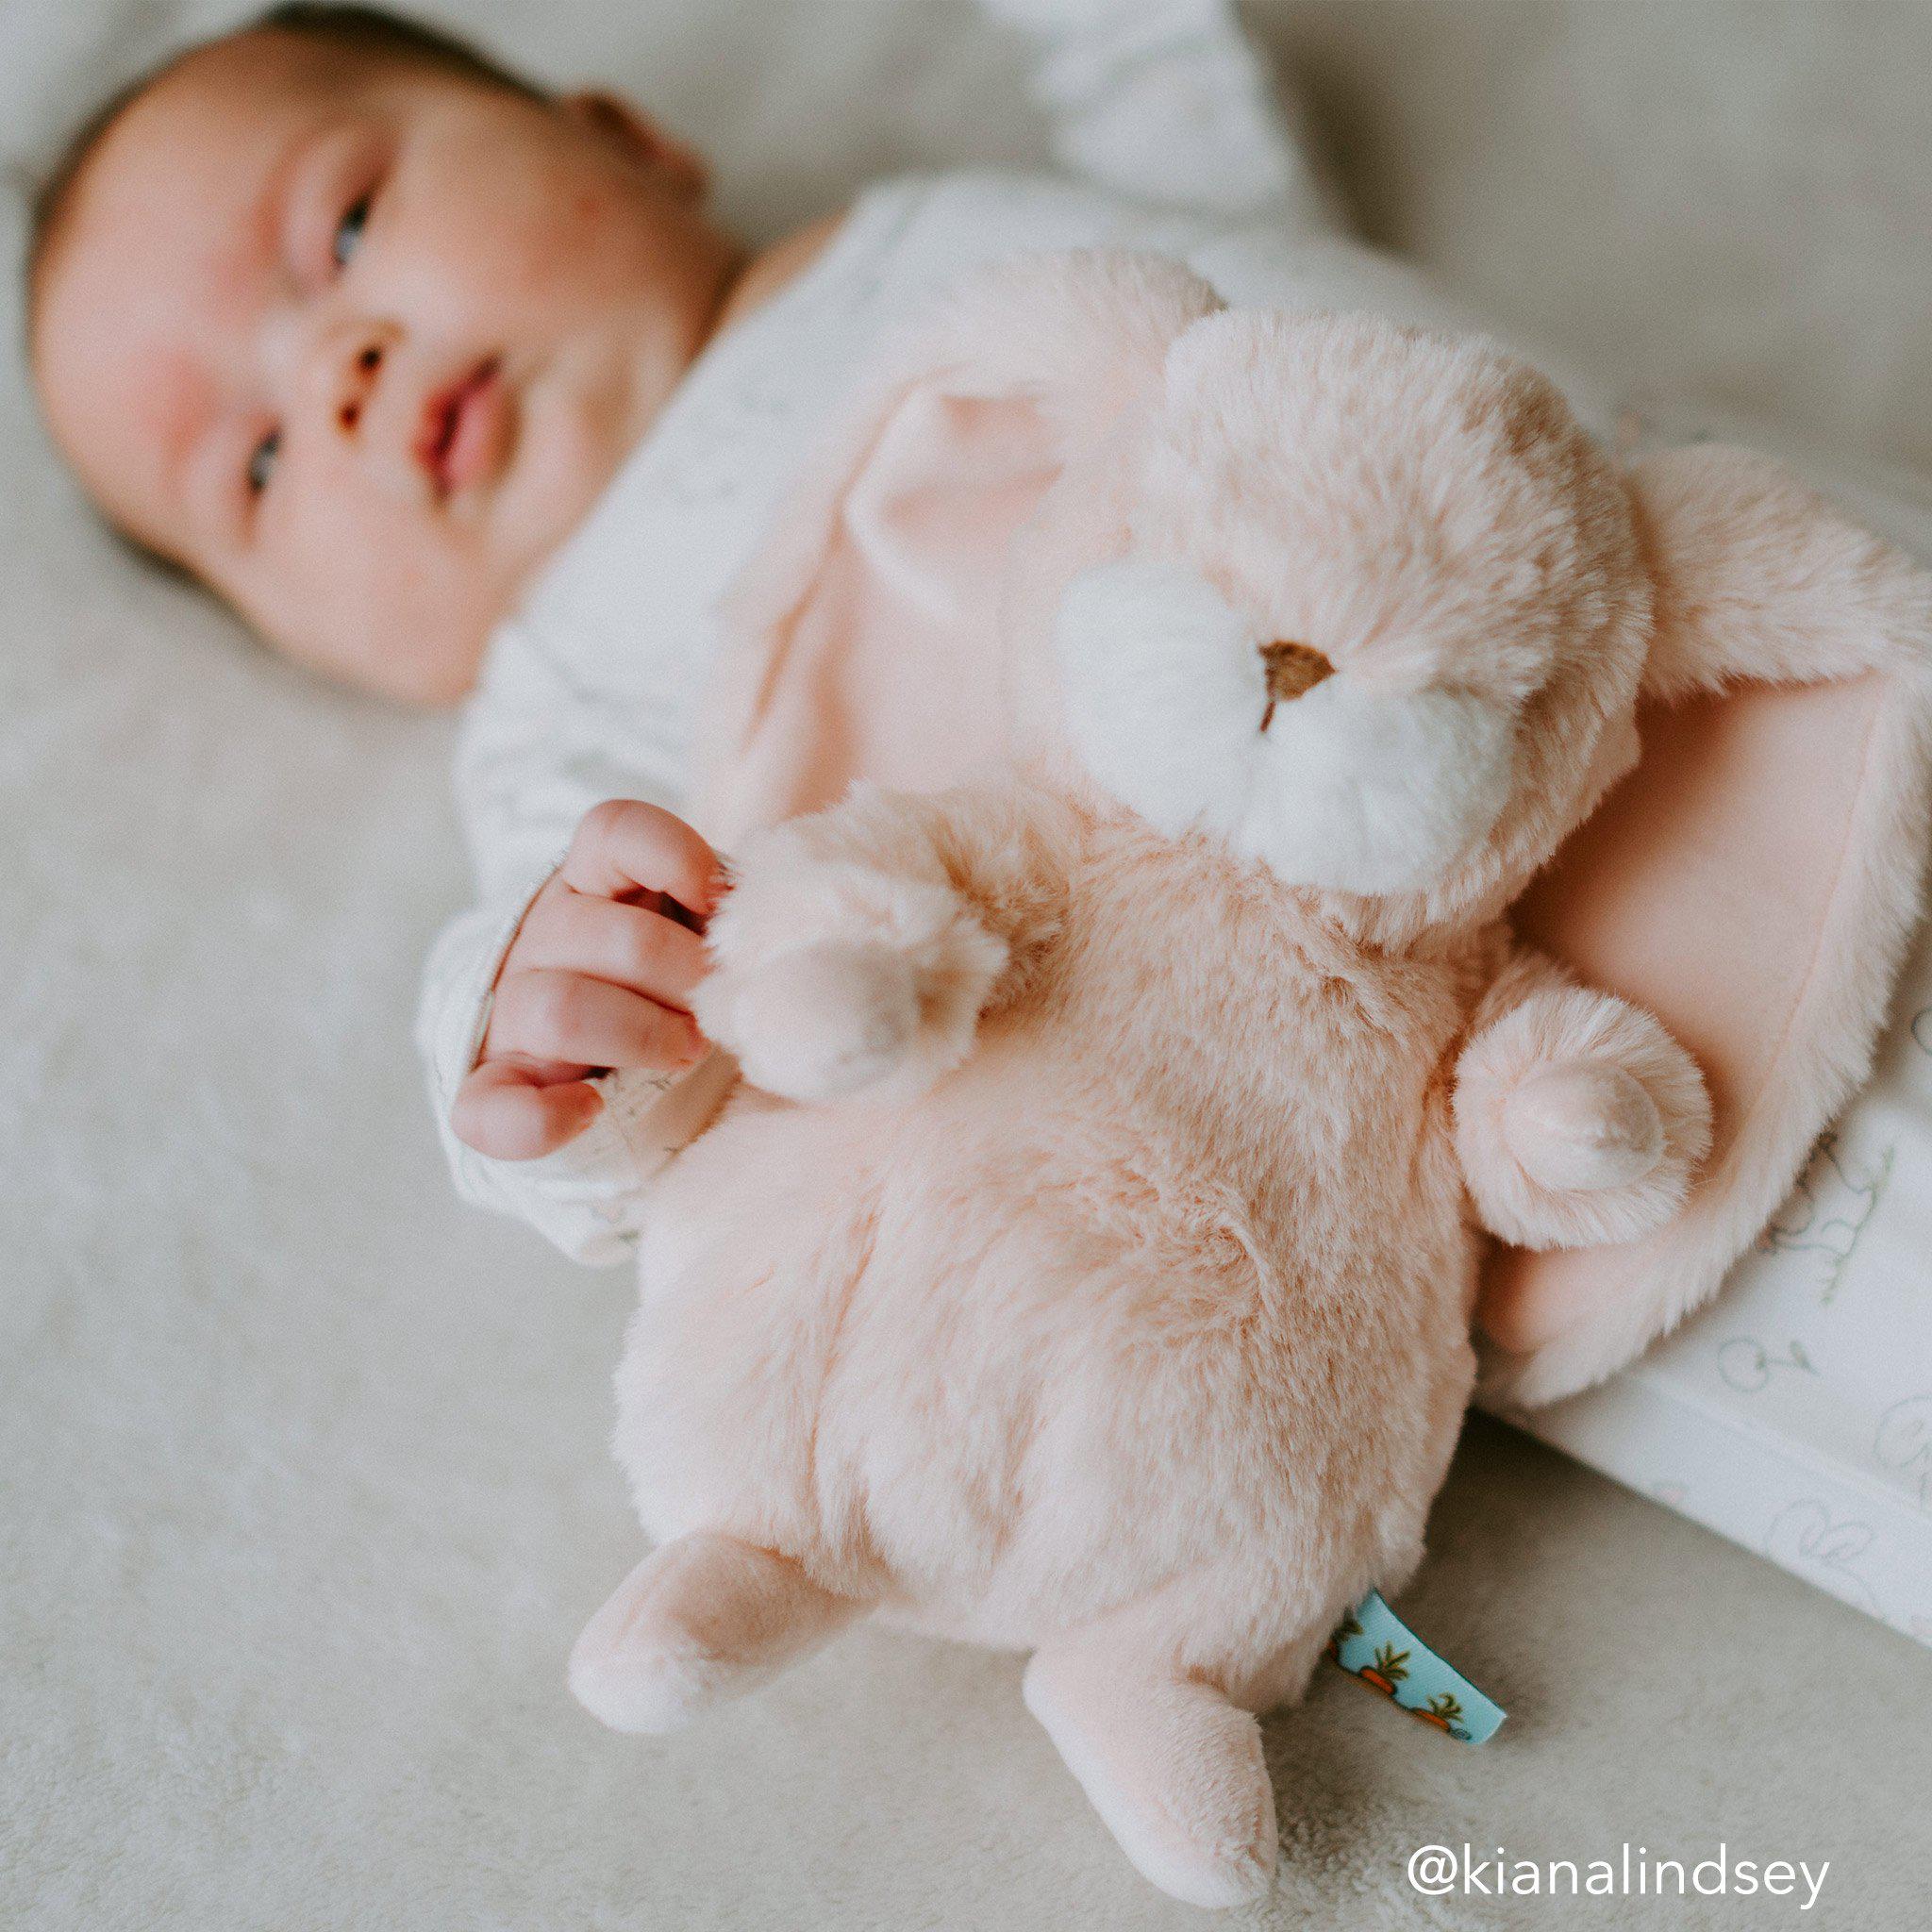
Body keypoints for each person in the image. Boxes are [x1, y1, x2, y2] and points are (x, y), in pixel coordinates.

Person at [27, 0, 1557, 1259]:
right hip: (1370, 1062)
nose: (334, 376)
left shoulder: (951, 226)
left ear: (620, 138)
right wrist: (528, 1024)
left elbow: (1231, 236)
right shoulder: (554, 716)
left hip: (1565, 593)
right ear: (313, 647)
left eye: (348, 227)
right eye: (259, 465)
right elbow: (591, 1056)